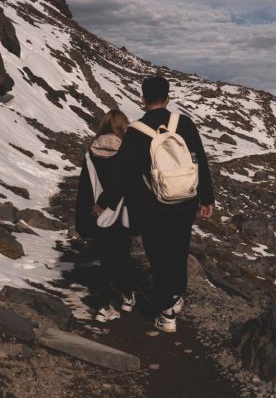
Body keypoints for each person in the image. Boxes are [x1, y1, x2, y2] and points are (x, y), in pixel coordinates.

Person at [97, 76, 215, 333]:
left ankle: (167, 312)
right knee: (179, 249)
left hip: (153, 205)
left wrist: (105, 202)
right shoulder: (184, 123)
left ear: (142, 99)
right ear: (168, 98)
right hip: (186, 200)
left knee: (159, 255)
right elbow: (199, 161)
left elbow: (123, 173)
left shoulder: (136, 131)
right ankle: (177, 296)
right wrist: (207, 198)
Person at [75, 110, 136, 322]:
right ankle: (126, 297)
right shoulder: (126, 151)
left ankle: (104, 303)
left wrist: (89, 211)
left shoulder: (91, 151)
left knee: (104, 257)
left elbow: (85, 186)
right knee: (122, 254)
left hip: (98, 213)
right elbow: (127, 184)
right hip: (120, 212)